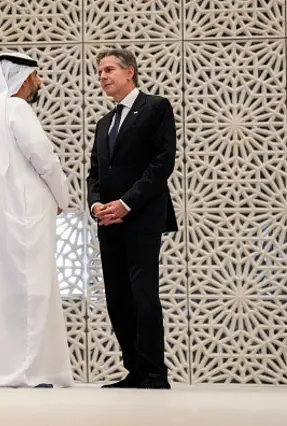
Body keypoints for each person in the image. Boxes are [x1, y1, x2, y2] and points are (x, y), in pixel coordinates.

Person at [0, 52, 73, 388]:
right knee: (33, 289)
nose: (39, 83)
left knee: (1, 290)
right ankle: (32, 370)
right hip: (26, 213)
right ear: (23, 78)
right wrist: (62, 197)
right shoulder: (17, 108)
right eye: (36, 76)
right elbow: (44, 158)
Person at [87, 48, 178, 389]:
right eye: (99, 73)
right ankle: (134, 370)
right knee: (117, 296)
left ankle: (154, 374)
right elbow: (94, 173)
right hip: (108, 221)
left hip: (141, 218)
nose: (103, 77)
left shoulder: (156, 107)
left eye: (109, 69)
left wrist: (126, 204)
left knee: (143, 294)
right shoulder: (104, 123)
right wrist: (97, 206)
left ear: (130, 72)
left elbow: (161, 164)